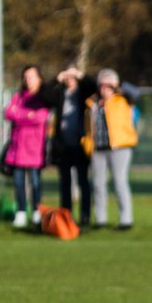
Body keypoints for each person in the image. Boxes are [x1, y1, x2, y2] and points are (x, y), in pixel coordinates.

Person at [83, 68, 138, 230]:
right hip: (98, 148)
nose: (104, 88)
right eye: (102, 85)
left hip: (119, 147)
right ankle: (100, 219)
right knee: (98, 184)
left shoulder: (123, 99)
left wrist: (116, 87)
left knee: (119, 182)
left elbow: (135, 92)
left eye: (108, 85)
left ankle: (126, 220)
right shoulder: (92, 102)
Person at [4, 65, 51, 228]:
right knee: (18, 183)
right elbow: (8, 112)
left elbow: (40, 117)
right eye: (26, 77)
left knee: (36, 182)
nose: (28, 80)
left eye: (32, 77)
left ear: (39, 78)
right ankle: (21, 212)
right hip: (17, 148)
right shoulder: (18, 97)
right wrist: (26, 115)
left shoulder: (43, 98)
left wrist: (21, 115)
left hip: (34, 148)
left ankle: (37, 211)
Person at [52, 64, 96, 227]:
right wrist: (59, 77)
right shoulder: (59, 93)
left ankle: (85, 216)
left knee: (83, 182)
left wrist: (80, 74)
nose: (70, 79)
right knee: (65, 184)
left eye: (73, 76)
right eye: (67, 77)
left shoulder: (83, 93)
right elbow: (46, 94)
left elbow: (93, 85)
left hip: (80, 145)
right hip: (63, 146)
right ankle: (66, 216)